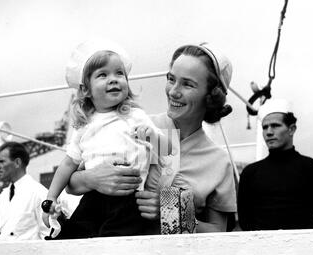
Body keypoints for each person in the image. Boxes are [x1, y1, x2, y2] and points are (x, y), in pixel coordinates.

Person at [66, 42, 237, 233]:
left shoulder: (219, 162)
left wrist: (171, 213)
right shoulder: (133, 124)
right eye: (171, 79)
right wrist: (92, 179)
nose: (173, 91)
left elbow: (218, 232)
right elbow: (71, 183)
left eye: (187, 84)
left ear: (211, 95)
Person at [42, 39, 170, 239]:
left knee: (115, 240)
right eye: (103, 74)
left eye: (119, 73)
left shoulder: (134, 115)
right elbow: (68, 163)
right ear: (86, 90)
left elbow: (168, 149)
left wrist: (152, 136)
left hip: (128, 199)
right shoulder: (84, 126)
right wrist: (51, 197)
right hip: (93, 197)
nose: (114, 79)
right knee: (71, 236)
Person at [237, 98, 313, 230]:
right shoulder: (250, 173)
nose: (269, 132)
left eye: (275, 125)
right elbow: (245, 221)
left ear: (291, 129)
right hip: (261, 248)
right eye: (265, 127)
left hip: (305, 248)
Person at [0, 141, 50, 241]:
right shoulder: (4, 195)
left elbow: (47, 235)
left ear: (17, 162)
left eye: (2, 161)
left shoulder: (39, 193)